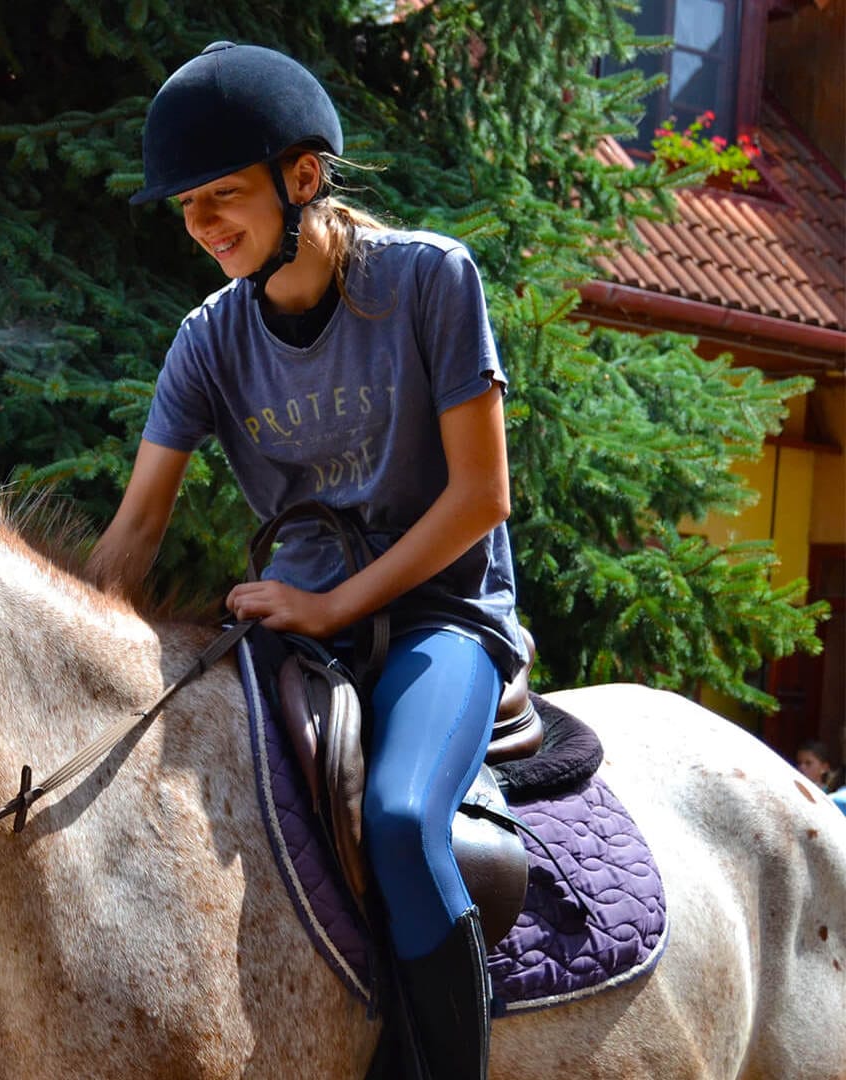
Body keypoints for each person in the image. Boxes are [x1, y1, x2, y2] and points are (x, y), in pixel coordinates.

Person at [87, 42, 531, 1080]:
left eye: (223, 196)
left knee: (404, 817)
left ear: (302, 177)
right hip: (288, 618)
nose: (202, 227)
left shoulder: (430, 281)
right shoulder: (205, 341)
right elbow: (136, 531)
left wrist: (335, 610)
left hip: (442, 615)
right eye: (187, 206)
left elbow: (481, 498)